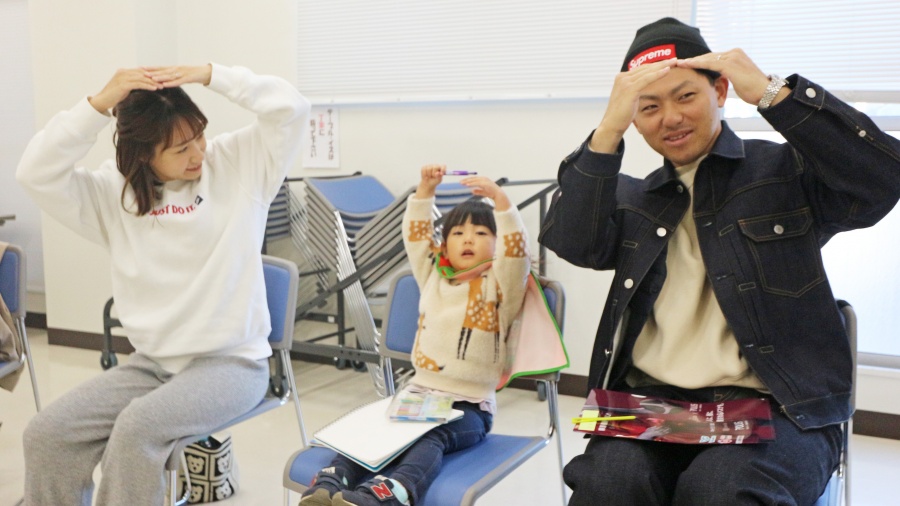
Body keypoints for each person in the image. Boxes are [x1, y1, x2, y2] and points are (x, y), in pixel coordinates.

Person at [538, 17, 900, 505]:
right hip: (653, 405)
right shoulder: (631, 200)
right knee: (606, 484)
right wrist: (608, 129)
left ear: (721, 90)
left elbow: (882, 179)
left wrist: (772, 93)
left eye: (686, 96)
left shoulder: (783, 172)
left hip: (778, 406)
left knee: (720, 490)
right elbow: (571, 241)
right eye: (649, 106)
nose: (670, 118)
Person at [16, 63, 310, 505]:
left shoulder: (238, 164)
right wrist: (97, 106)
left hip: (233, 365)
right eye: (180, 149)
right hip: (152, 366)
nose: (198, 154)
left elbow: (291, 108)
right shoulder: (113, 194)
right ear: (143, 155)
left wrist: (211, 75)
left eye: (199, 137)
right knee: (46, 434)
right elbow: (35, 173)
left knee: (137, 429)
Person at [299, 166, 531, 506]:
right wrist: (424, 191)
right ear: (445, 245)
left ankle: (389, 494)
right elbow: (416, 238)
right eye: (458, 233)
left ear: (498, 245)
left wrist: (501, 202)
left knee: (429, 439)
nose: (468, 239)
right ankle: (329, 484)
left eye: (481, 232)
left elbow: (517, 254)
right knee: (375, 429)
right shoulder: (434, 276)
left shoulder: (502, 285)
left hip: (470, 408)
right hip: (418, 396)